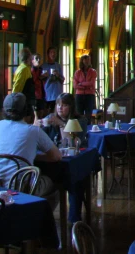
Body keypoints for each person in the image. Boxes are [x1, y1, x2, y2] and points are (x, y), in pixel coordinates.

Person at [0, 92, 60, 189]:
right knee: (54, 184)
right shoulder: (33, 131)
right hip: (24, 187)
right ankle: (39, 204)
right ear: (26, 110)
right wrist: (31, 156)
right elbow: (56, 156)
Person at [37, 93, 88, 223]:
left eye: (64, 105)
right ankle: (42, 219)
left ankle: (74, 219)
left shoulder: (80, 120)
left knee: (77, 179)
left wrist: (60, 124)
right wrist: (38, 124)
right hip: (51, 162)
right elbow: (38, 140)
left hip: (71, 162)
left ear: (71, 107)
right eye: (58, 104)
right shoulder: (50, 118)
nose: (60, 108)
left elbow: (70, 141)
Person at [12, 48, 35, 120]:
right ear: (28, 58)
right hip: (24, 101)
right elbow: (17, 88)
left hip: (26, 100)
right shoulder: (24, 69)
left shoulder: (24, 68)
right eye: (31, 56)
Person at [43, 46, 65, 113]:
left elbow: (62, 80)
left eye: (54, 52)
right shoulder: (44, 66)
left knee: (57, 113)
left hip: (57, 94)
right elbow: (40, 80)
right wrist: (44, 76)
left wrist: (58, 75)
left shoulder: (58, 66)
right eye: (51, 52)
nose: (53, 54)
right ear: (48, 54)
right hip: (47, 94)